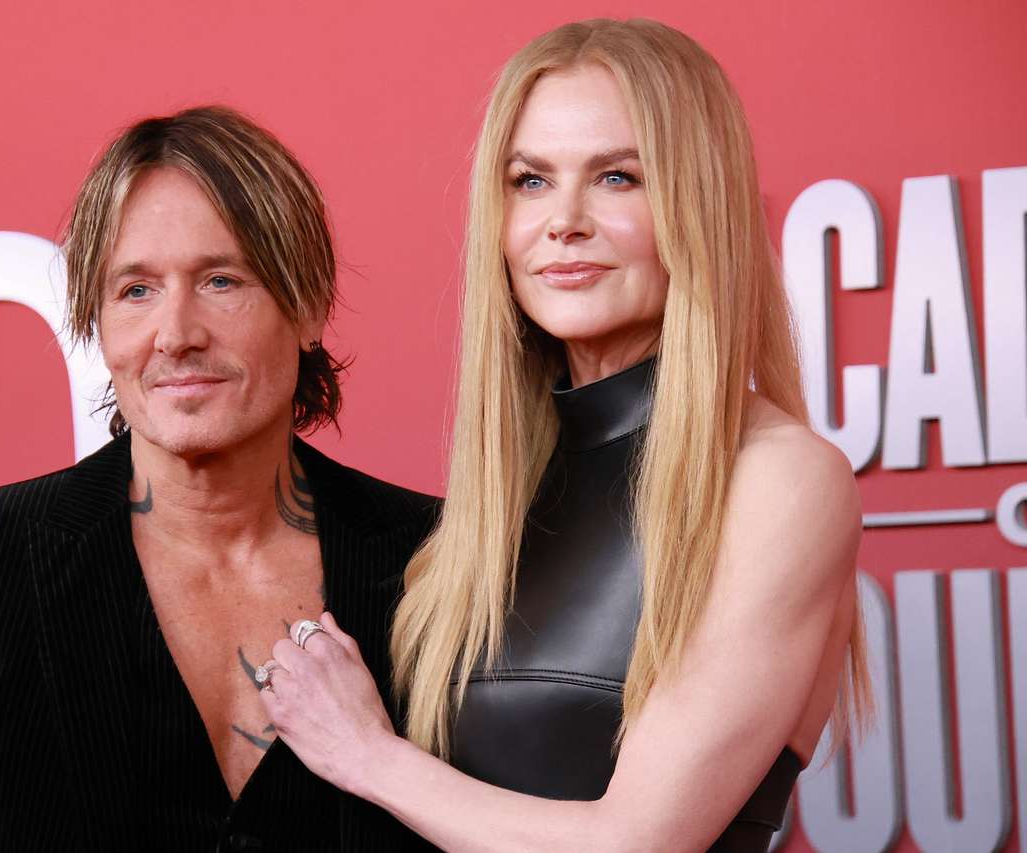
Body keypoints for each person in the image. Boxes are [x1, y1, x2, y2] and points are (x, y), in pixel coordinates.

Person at [255, 18, 870, 853]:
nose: (564, 220)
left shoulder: (779, 479)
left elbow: (637, 842)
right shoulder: (493, 503)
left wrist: (368, 753)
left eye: (617, 177)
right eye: (531, 180)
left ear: (700, 204)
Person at [0, 106, 438, 852]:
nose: (175, 335)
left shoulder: (444, 559)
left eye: (221, 280)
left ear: (307, 305)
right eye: (136, 290)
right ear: (99, 322)